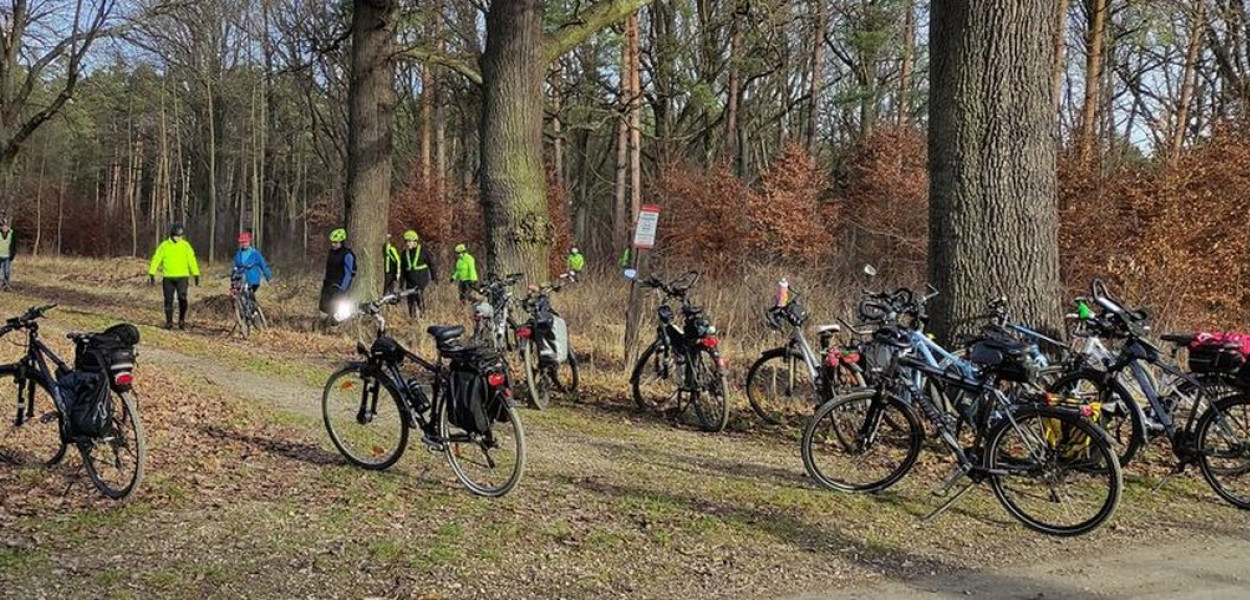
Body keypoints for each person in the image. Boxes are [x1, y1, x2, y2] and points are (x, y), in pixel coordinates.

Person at [148, 223, 201, 330]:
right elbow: (156, 258)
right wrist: (152, 273)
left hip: (182, 277)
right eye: (177, 236)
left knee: (182, 298)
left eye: (181, 236)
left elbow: (191, 260)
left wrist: (196, 273)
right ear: (172, 235)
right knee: (168, 300)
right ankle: (169, 322)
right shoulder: (164, 246)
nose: (179, 238)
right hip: (168, 277)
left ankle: (182, 320)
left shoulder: (185, 245)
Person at [319, 228, 356, 319]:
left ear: (341, 242)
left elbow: (348, 274)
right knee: (323, 310)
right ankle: (323, 328)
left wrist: (342, 289)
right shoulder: (331, 253)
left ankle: (335, 328)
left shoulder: (347, 255)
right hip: (328, 285)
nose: (333, 244)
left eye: (335, 242)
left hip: (339, 287)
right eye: (332, 242)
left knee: (336, 313)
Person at [399, 230, 435, 317]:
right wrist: (401, 283)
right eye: (406, 241)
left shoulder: (423, 251)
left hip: (421, 279)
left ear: (415, 241)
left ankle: (422, 316)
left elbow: (431, 264)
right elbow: (403, 269)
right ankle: (412, 317)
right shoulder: (404, 253)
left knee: (419, 295)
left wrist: (434, 277)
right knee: (410, 299)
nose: (407, 244)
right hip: (409, 280)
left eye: (409, 241)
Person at [0, 219, 15, 290]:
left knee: (7, 272)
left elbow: (13, 245)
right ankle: (2, 285)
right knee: (1, 273)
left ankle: (7, 284)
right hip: (0, 256)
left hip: (7, 256)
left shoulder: (11, 234)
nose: (5, 229)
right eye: (3, 227)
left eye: (6, 227)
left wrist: (12, 255)